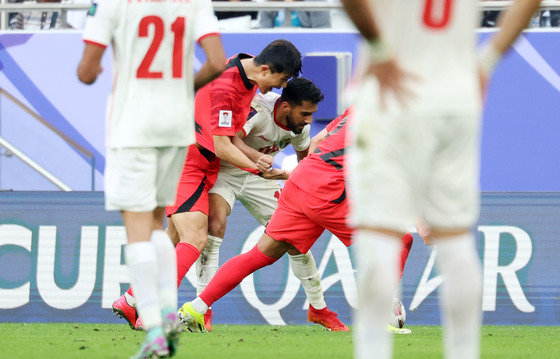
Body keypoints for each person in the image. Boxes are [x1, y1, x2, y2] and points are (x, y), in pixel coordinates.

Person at [339, 0, 543, 358]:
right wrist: (488, 59)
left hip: (390, 93)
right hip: (455, 96)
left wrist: (379, 47)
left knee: (378, 236)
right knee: (455, 239)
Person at [112, 39, 302, 331]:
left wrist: (256, 158)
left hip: (199, 161)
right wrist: (256, 169)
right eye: (280, 79)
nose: (279, 87)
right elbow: (222, 146)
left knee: (174, 238)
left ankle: (132, 299)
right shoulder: (226, 87)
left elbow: (230, 137)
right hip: (185, 160)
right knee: (196, 239)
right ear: (264, 69)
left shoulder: (246, 69)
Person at [175, 108, 414, 334]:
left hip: (302, 179)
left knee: (260, 255)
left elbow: (317, 142)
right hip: (328, 189)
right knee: (400, 241)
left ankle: (196, 307)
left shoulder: (358, 108)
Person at [77, 0, 226, 356]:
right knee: (159, 223)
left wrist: (99, 69)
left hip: (132, 125)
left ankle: (156, 330)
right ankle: (165, 315)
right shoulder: (194, 3)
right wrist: (179, 88)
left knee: (138, 228)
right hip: (175, 125)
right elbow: (218, 62)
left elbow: (86, 71)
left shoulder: (110, 5)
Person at [196, 78, 349, 331]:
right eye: (305, 113)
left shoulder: (300, 129)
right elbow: (229, 139)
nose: (309, 120)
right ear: (286, 106)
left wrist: (288, 178)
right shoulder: (258, 110)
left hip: (261, 179)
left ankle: (319, 309)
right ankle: (204, 310)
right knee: (215, 225)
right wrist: (257, 159)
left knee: (294, 240)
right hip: (227, 172)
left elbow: (306, 165)